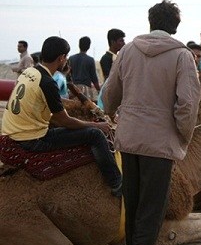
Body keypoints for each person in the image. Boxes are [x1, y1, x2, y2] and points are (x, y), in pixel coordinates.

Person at [102, 0, 201, 245]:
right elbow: (187, 105)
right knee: (151, 211)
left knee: (133, 206)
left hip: (129, 138)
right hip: (159, 144)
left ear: (150, 21)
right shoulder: (182, 56)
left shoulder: (127, 51)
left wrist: (111, 114)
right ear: (176, 27)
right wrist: (182, 135)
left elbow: (111, 92)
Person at [1, 36, 122, 195]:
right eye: (65, 58)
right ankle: (117, 184)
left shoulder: (30, 72)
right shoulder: (47, 82)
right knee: (95, 135)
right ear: (61, 58)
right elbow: (64, 121)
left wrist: (75, 103)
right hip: (31, 139)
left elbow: (49, 99)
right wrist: (97, 125)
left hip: (11, 131)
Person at [68, 36, 101, 101]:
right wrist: (99, 90)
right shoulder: (90, 60)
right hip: (86, 89)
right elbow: (94, 78)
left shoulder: (71, 58)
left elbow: (68, 75)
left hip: (73, 88)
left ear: (79, 45)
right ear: (88, 46)